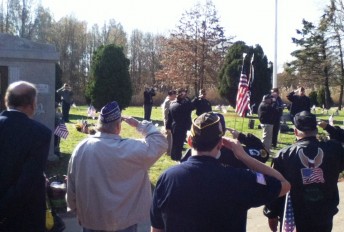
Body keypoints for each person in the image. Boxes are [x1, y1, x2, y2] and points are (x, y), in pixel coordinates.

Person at [151, 112, 290, 232]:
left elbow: (157, 229)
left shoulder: (166, 178)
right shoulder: (239, 179)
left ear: (189, 141)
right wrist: (244, 156)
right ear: (220, 143)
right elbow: (284, 184)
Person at [66, 101, 167, 232]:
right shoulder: (133, 149)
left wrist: (74, 208)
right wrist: (138, 125)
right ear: (118, 126)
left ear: (98, 125)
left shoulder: (81, 148)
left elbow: (71, 183)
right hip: (124, 222)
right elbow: (160, 141)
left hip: (91, 220)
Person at [264, 111, 344, 232]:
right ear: (316, 130)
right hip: (324, 214)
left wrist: (271, 214)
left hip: (295, 216)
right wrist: (329, 128)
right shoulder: (334, 149)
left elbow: (276, 188)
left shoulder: (284, 155)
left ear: (295, 131)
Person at [0, 81, 52, 232]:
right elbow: (26, 183)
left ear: (6, 101)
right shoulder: (40, 134)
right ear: (32, 104)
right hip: (24, 218)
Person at [166, 88, 195, 161]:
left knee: (175, 142)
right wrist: (187, 97)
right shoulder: (184, 105)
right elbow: (191, 107)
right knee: (179, 143)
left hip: (174, 125)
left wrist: (168, 127)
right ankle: (177, 157)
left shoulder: (173, 104)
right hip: (181, 126)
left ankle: (173, 156)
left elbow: (169, 117)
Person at [161, 90, 177, 156]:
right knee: (169, 136)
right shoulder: (168, 102)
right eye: (174, 95)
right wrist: (167, 123)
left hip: (171, 121)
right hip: (168, 121)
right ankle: (168, 152)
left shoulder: (170, 101)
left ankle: (169, 151)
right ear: (171, 95)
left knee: (170, 136)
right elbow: (166, 114)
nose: (175, 96)